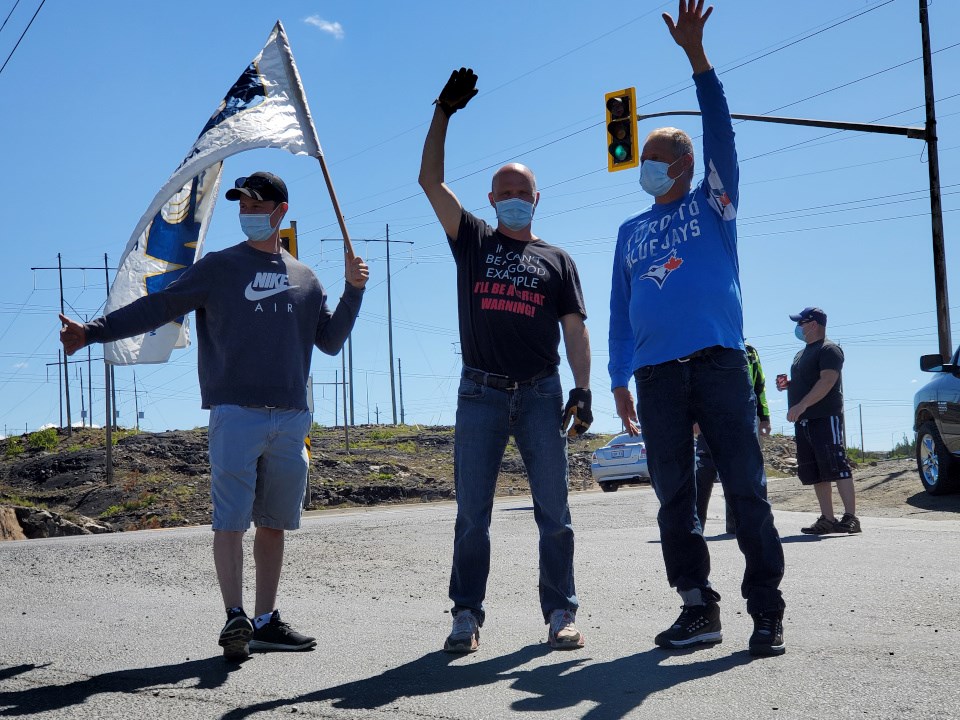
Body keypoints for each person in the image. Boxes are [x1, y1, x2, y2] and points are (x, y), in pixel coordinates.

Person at [59, 172, 369, 661]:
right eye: (241, 204)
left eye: (256, 203)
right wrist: (93, 331)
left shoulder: (307, 279)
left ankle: (266, 622)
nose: (247, 211)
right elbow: (159, 306)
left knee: (274, 523)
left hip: (291, 419)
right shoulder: (219, 268)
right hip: (235, 413)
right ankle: (235, 618)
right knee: (231, 521)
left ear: (280, 210)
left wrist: (354, 291)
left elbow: (329, 342)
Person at [607, 0, 786, 657]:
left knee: (745, 488)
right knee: (673, 500)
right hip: (655, 377)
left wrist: (697, 60)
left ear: (681, 165)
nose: (642, 166)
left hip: (717, 364)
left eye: (653, 157)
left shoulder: (715, 203)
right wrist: (617, 378)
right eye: (642, 158)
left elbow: (721, 135)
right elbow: (622, 308)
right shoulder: (629, 231)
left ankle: (766, 611)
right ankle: (697, 608)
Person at [419, 67, 592, 653]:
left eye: (524, 192)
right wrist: (442, 111)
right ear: (491, 200)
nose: (515, 199)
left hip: (543, 392)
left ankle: (561, 612)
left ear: (536, 199)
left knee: (556, 514)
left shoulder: (559, 260)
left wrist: (584, 388)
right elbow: (429, 180)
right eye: (505, 192)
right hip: (481, 393)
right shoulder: (472, 239)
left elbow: (574, 327)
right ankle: (466, 614)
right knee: (473, 515)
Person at [777, 306, 859, 534]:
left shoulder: (829, 349)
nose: (798, 327)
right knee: (816, 470)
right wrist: (788, 387)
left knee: (837, 466)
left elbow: (827, 381)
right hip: (805, 421)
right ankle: (828, 518)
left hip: (825, 416)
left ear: (813, 324)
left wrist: (802, 403)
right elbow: (808, 381)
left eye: (800, 323)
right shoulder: (801, 353)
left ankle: (851, 517)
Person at [695, 342, 772, 534]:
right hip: (709, 415)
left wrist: (765, 418)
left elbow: (759, 385)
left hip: (742, 417)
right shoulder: (706, 344)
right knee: (704, 471)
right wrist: (695, 416)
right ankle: (695, 527)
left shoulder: (750, 351)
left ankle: (736, 524)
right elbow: (694, 383)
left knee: (739, 471)